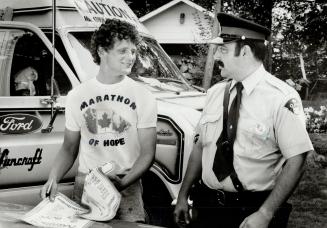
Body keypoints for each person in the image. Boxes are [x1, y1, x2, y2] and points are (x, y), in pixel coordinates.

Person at [174, 13, 313, 228]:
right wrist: (183, 195)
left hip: (251, 210)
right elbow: (200, 147)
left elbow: (297, 160)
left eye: (224, 49)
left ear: (245, 51)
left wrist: (266, 214)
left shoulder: (281, 97)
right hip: (208, 205)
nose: (217, 55)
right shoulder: (215, 93)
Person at [41, 19, 157, 223]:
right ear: (102, 51)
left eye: (133, 51)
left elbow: (148, 153)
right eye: (122, 51)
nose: (130, 57)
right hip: (87, 183)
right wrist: (53, 178)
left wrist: (122, 184)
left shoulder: (143, 95)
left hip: (126, 184)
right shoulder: (78, 95)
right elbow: (69, 148)